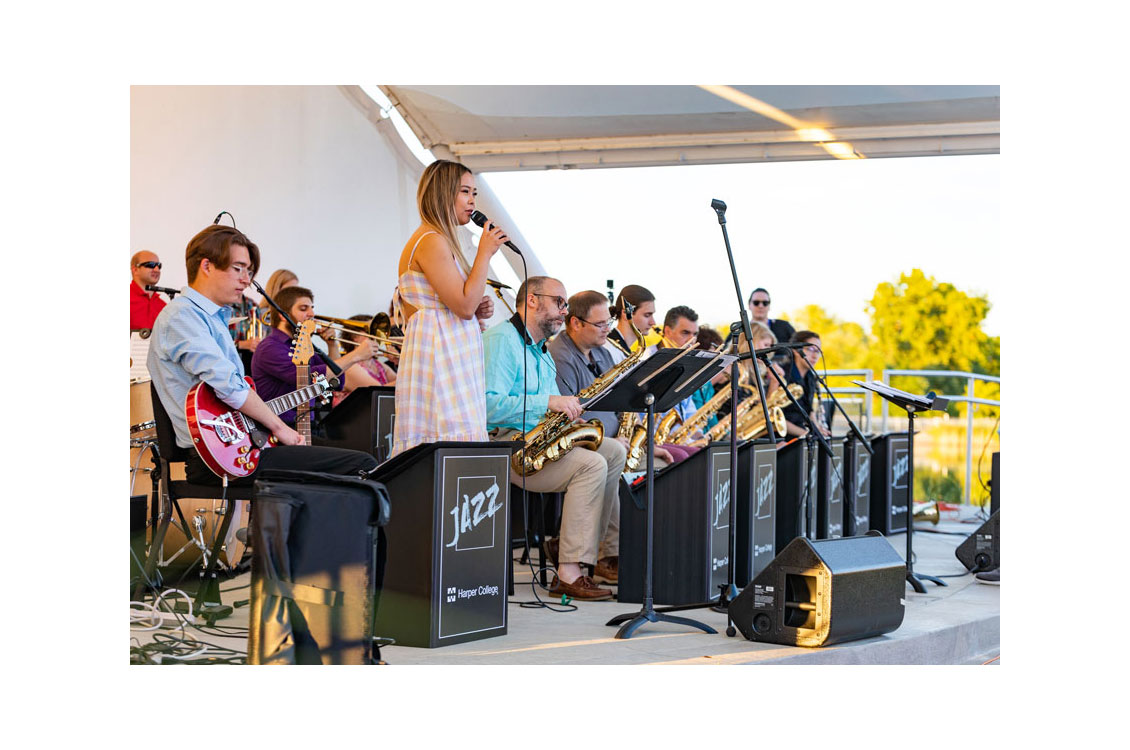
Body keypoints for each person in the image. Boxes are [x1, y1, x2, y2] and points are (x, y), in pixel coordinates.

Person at [147, 225, 376, 487]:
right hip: (218, 457)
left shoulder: (212, 318)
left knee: (354, 459)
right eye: (238, 268)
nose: (246, 280)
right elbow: (230, 388)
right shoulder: (182, 316)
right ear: (207, 266)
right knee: (362, 465)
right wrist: (280, 428)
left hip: (238, 446)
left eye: (249, 271)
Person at [484, 277, 626, 600]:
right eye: (559, 302)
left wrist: (566, 419)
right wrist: (548, 403)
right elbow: (489, 405)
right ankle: (569, 571)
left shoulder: (542, 351)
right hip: (508, 447)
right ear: (532, 300)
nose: (564, 311)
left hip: (539, 438)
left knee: (614, 452)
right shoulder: (501, 341)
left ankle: (572, 544)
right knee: (591, 464)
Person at [391, 159, 506, 456]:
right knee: (445, 442)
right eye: (464, 192)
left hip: (446, 354)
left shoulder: (436, 239)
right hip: (439, 361)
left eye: (475, 194)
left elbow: (459, 304)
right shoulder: (431, 240)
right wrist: (484, 254)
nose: (472, 201)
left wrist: (473, 310)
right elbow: (464, 306)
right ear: (443, 194)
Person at [250, 285, 384, 426]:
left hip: (306, 423)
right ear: (283, 316)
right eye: (303, 309)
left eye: (312, 308)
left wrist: (332, 345)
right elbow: (307, 378)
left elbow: (336, 381)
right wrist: (356, 355)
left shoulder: (304, 345)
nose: (312, 314)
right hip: (278, 426)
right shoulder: (270, 347)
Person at [781, 329, 831, 439]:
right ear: (796, 350)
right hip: (784, 436)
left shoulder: (810, 377)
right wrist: (807, 434)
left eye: (818, 351)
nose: (815, 355)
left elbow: (809, 411)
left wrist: (818, 429)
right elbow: (776, 419)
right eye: (811, 349)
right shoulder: (783, 374)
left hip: (802, 434)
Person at [607, 284, 656, 359]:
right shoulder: (609, 350)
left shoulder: (619, 349)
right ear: (626, 314)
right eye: (647, 315)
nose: (653, 322)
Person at [130, 251, 167, 330]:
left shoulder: (163, 306)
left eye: (159, 266)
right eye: (151, 265)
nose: (157, 270)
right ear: (135, 269)